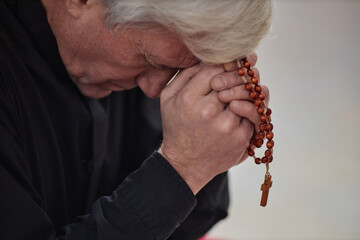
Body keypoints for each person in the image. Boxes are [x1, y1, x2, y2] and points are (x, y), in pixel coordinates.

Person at [0, 0, 273, 239]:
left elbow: (190, 226)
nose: (153, 90)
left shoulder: (149, 42)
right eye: (148, 59)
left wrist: (206, 152)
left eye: (180, 68)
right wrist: (180, 171)